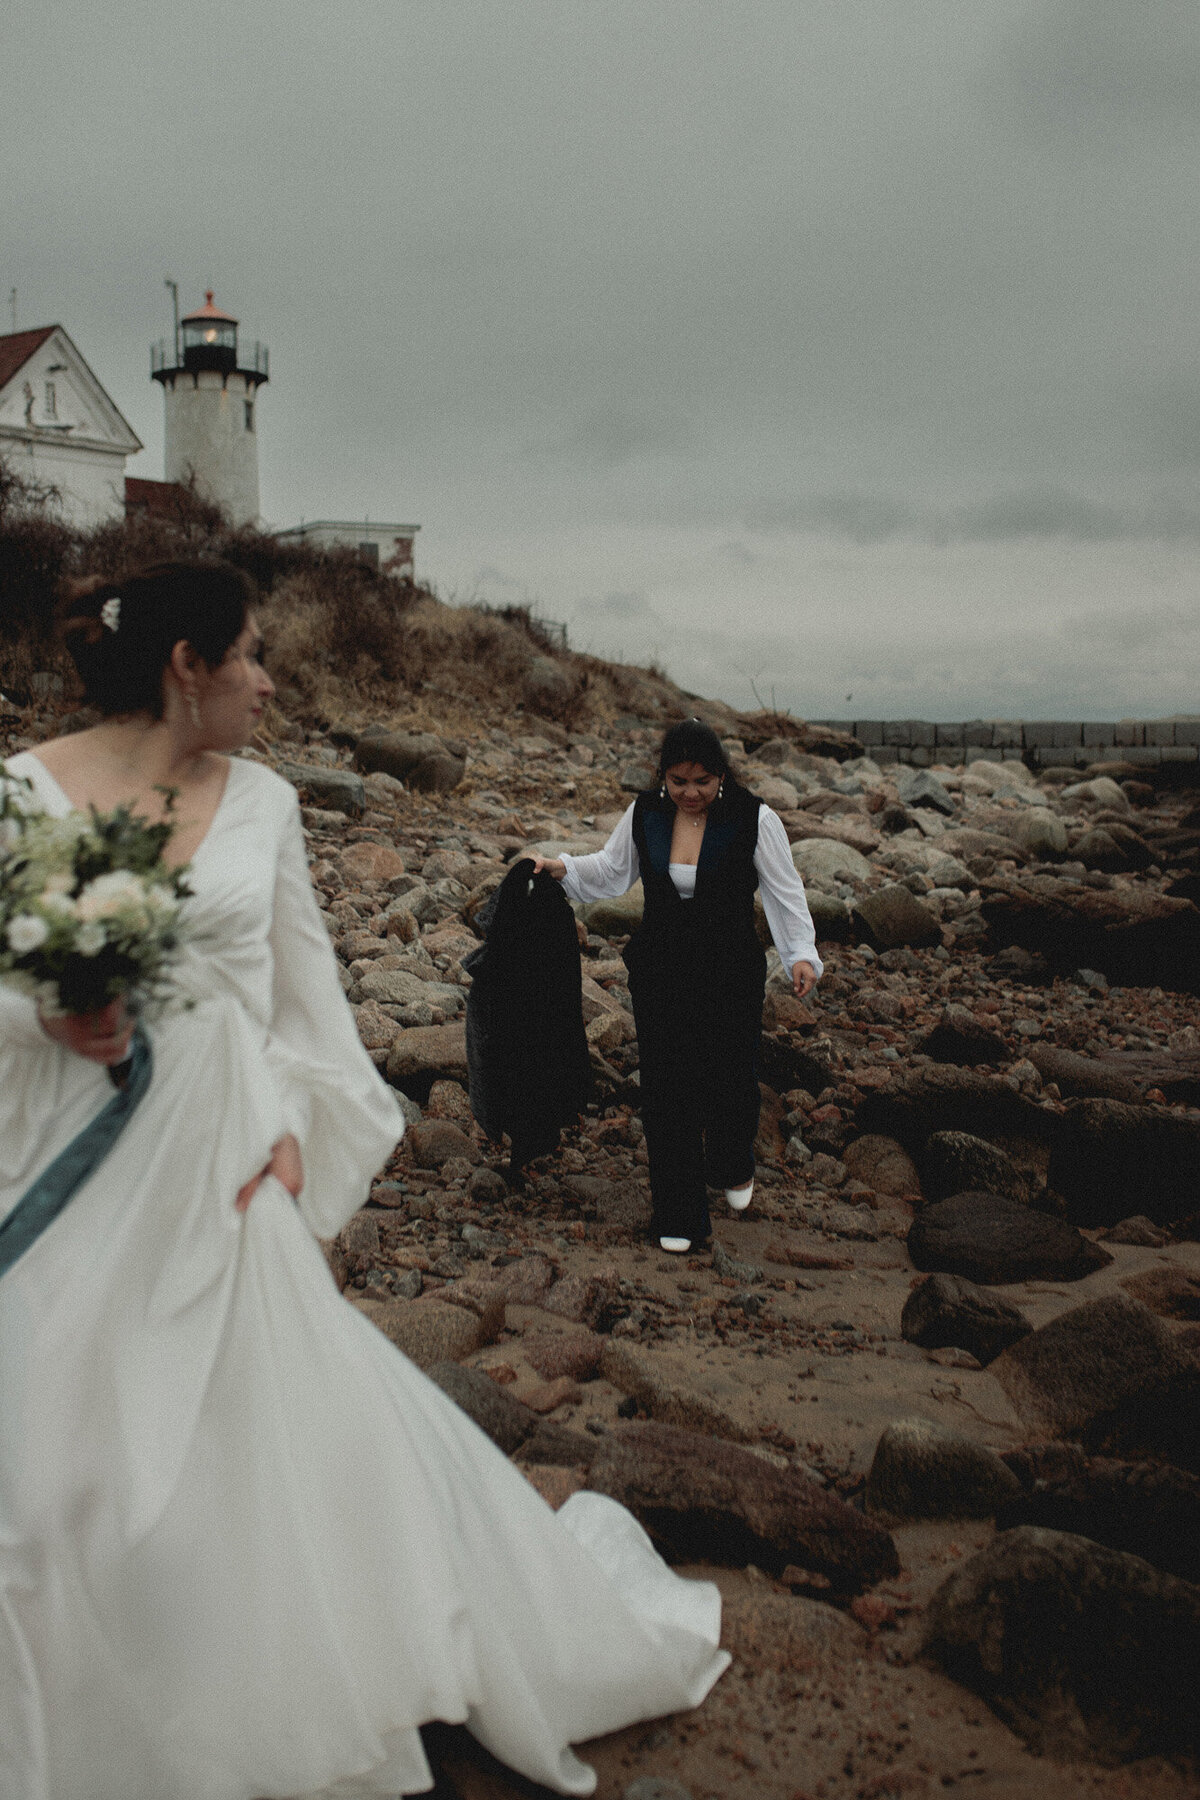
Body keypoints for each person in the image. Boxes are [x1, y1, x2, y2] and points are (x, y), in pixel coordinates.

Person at [0, 563, 728, 1800]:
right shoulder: (24, 790)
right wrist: (48, 1012)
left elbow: (305, 1000)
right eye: (252, 655)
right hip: (64, 1145)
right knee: (49, 1440)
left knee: (236, 1439)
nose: (272, 680)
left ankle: (241, 1672)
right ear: (189, 665)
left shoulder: (268, 803)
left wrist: (296, 1125)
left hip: (217, 1164)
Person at [534, 719, 823, 1255]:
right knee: (667, 1090)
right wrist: (558, 867)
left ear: (721, 776)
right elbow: (611, 871)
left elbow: (786, 892)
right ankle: (680, 1215)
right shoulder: (646, 812)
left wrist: (800, 954)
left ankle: (734, 1162)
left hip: (731, 968)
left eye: (703, 782)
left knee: (731, 1078)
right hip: (661, 968)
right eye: (679, 781)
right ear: (663, 776)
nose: (691, 794)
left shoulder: (756, 818)